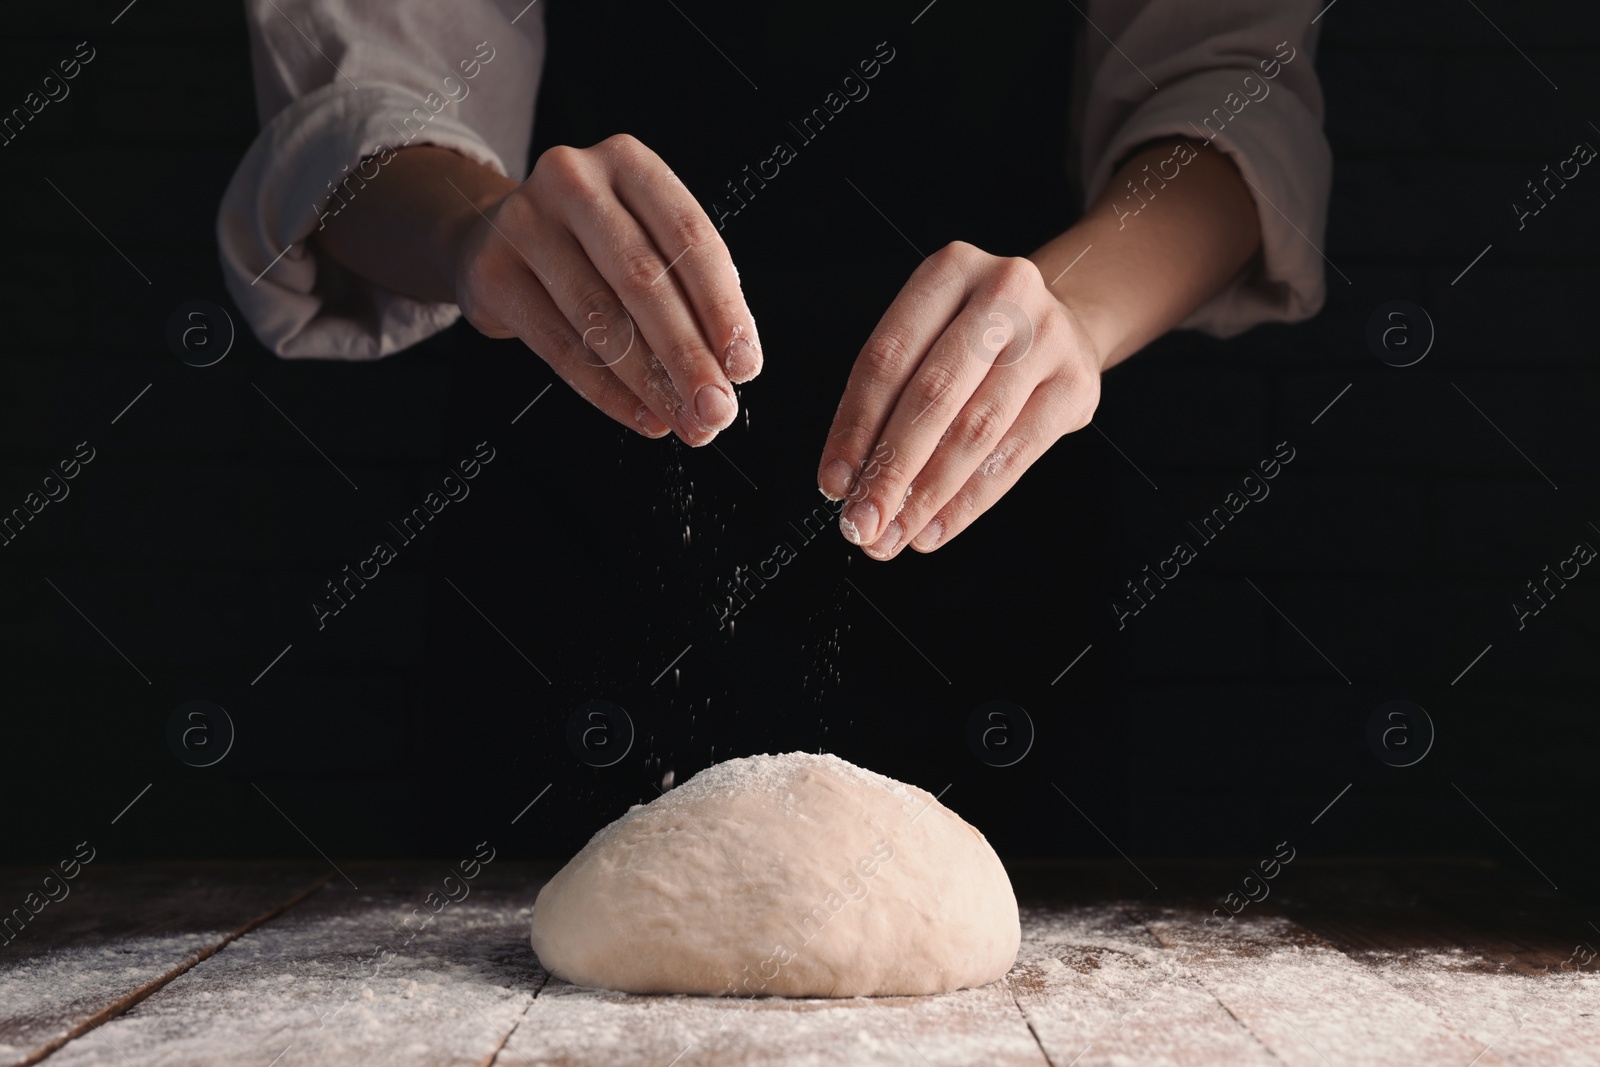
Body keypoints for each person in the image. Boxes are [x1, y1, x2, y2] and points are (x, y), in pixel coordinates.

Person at [218, 0, 1330, 564]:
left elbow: (1232, 84)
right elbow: (354, 103)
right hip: (566, 512)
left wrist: (1074, 312)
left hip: (991, 503)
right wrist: (477, 233)